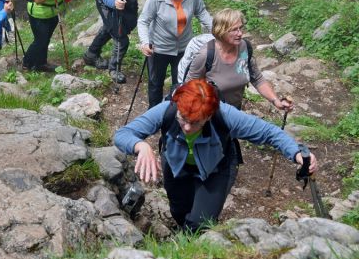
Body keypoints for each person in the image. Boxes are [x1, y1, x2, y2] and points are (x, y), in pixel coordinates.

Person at [115, 79, 317, 232]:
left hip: (216, 169)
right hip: (177, 165)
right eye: (182, 119)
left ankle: (195, 248)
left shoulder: (225, 114)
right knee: (178, 211)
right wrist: (141, 146)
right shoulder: (168, 109)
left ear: (209, 116)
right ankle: (186, 236)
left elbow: (269, 133)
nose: (186, 127)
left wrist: (297, 153)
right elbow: (122, 134)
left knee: (200, 223)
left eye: (195, 122)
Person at [186, 8, 294, 112]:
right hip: (209, 114)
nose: (240, 33)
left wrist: (276, 101)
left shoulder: (244, 47)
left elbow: (257, 78)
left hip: (235, 111)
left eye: (240, 28)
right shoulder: (205, 55)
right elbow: (189, 89)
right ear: (221, 31)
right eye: (234, 30)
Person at [137, 0, 212, 107]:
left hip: (184, 47)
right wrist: (145, 42)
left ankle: (177, 115)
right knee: (155, 83)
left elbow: (201, 12)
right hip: (158, 48)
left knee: (181, 83)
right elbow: (143, 21)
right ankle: (155, 114)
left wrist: (217, 31)